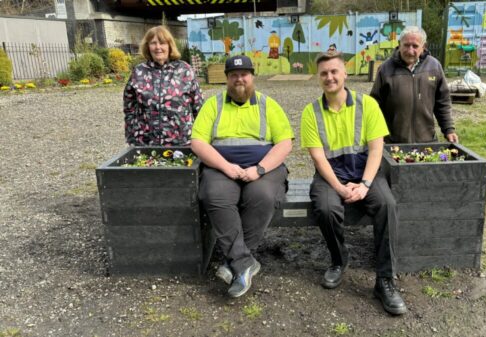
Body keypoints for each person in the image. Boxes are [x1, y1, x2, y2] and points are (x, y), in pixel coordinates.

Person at [300, 51, 407, 315]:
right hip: (331, 175)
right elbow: (318, 157)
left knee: (386, 205)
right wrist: (338, 187)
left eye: (334, 71)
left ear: (345, 73)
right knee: (325, 208)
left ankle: (384, 280)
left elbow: (376, 149)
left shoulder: (367, 105)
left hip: (365, 172)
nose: (329, 77)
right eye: (324, 73)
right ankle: (338, 260)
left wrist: (365, 184)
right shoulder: (310, 112)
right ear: (318, 77)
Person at [191, 55, 294, 298]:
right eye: (234, 75)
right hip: (222, 167)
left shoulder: (269, 105)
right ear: (226, 79)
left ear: (252, 77)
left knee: (263, 195)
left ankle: (233, 262)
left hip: (263, 168)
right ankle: (244, 262)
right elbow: (197, 142)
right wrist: (226, 167)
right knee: (213, 195)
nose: (240, 79)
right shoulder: (212, 105)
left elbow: (285, 143)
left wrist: (259, 169)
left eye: (244, 74)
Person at [370, 26, 458, 144]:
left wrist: (449, 129)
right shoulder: (385, 69)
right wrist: (377, 135)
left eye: (415, 46)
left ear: (423, 47)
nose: (410, 51)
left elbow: (443, 102)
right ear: (399, 44)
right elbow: (374, 105)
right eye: (406, 45)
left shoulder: (434, 66)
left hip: (427, 141)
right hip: (393, 142)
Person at [123, 25, 203, 146]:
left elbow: (198, 107)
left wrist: (201, 139)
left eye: (162, 43)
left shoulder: (184, 70)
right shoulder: (139, 72)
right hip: (146, 143)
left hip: (181, 142)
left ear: (170, 46)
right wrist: (131, 137)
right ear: (147, 47)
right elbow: (130, 109)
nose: (158, 47)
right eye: (153, 43)